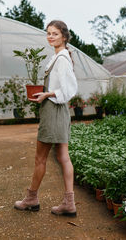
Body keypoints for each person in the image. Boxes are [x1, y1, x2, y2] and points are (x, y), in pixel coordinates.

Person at [14, 20, 78, 217]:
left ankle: (31, 199)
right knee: (63, 157)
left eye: (55, 34)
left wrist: (46, 95)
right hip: (59, 111)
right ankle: (69, 203)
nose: (50, 37)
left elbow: (69, 90)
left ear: (64, 37)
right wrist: (45, 94)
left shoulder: (62, 59)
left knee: (40, 158)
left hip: (53, 110)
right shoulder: (59, 57)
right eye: (48, 33)